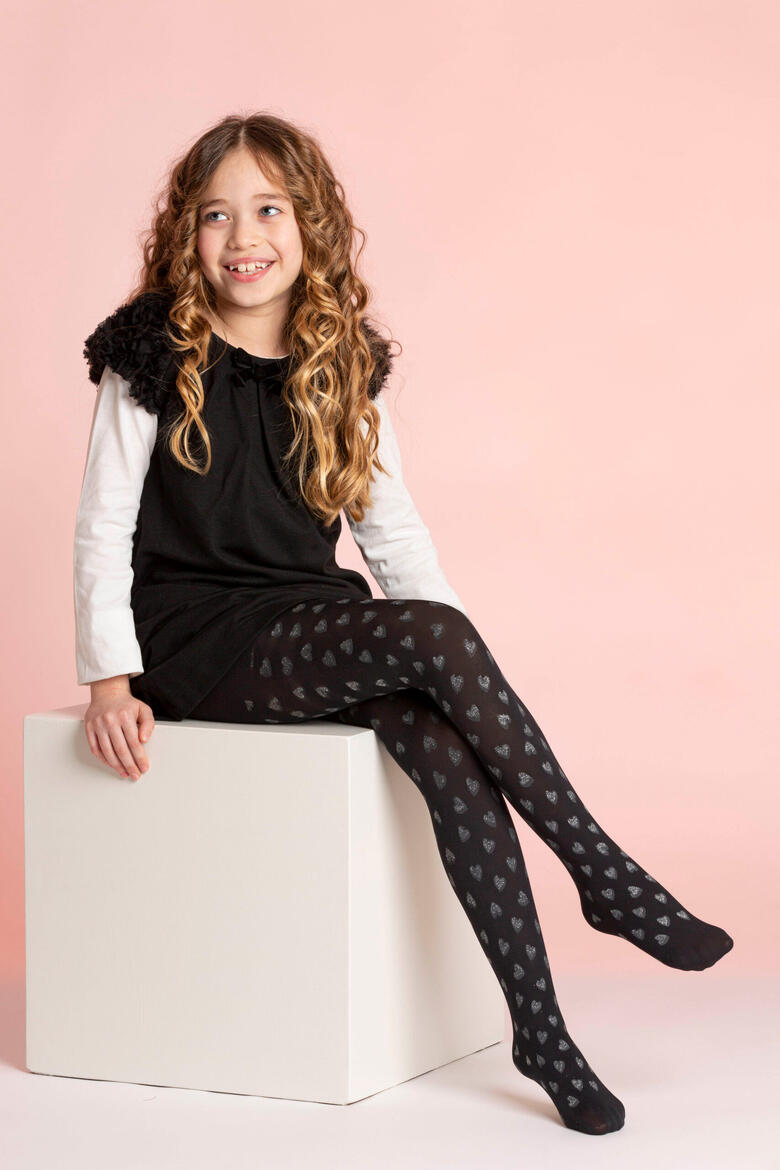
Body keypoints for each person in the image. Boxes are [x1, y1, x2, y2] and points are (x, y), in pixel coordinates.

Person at [73, 111, 733, 1136]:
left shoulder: (340, 360)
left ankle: (543, 1034)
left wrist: (462, 690)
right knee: (425, 639)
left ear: (311, 225)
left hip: (305, 622)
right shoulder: (150, 353)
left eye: (269, 210)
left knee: (446, 746)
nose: (243, 236)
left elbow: (394, 535)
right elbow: (102, 522)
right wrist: (108, 680)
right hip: (196, 635)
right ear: (185, 234)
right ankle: (602, 874)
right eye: (215, 215)